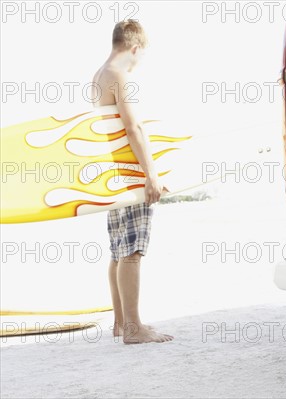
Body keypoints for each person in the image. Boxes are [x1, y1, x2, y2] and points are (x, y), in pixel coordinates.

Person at [92, 20, 173, 344]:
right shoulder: (120, 76)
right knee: (132, 252)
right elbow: (132, 128)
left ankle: (121, 322)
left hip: (113, 173)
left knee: (118, 251)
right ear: (135, 48)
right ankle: (135, 328)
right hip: (129, 173)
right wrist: (151, 175)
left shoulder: (99, 74)